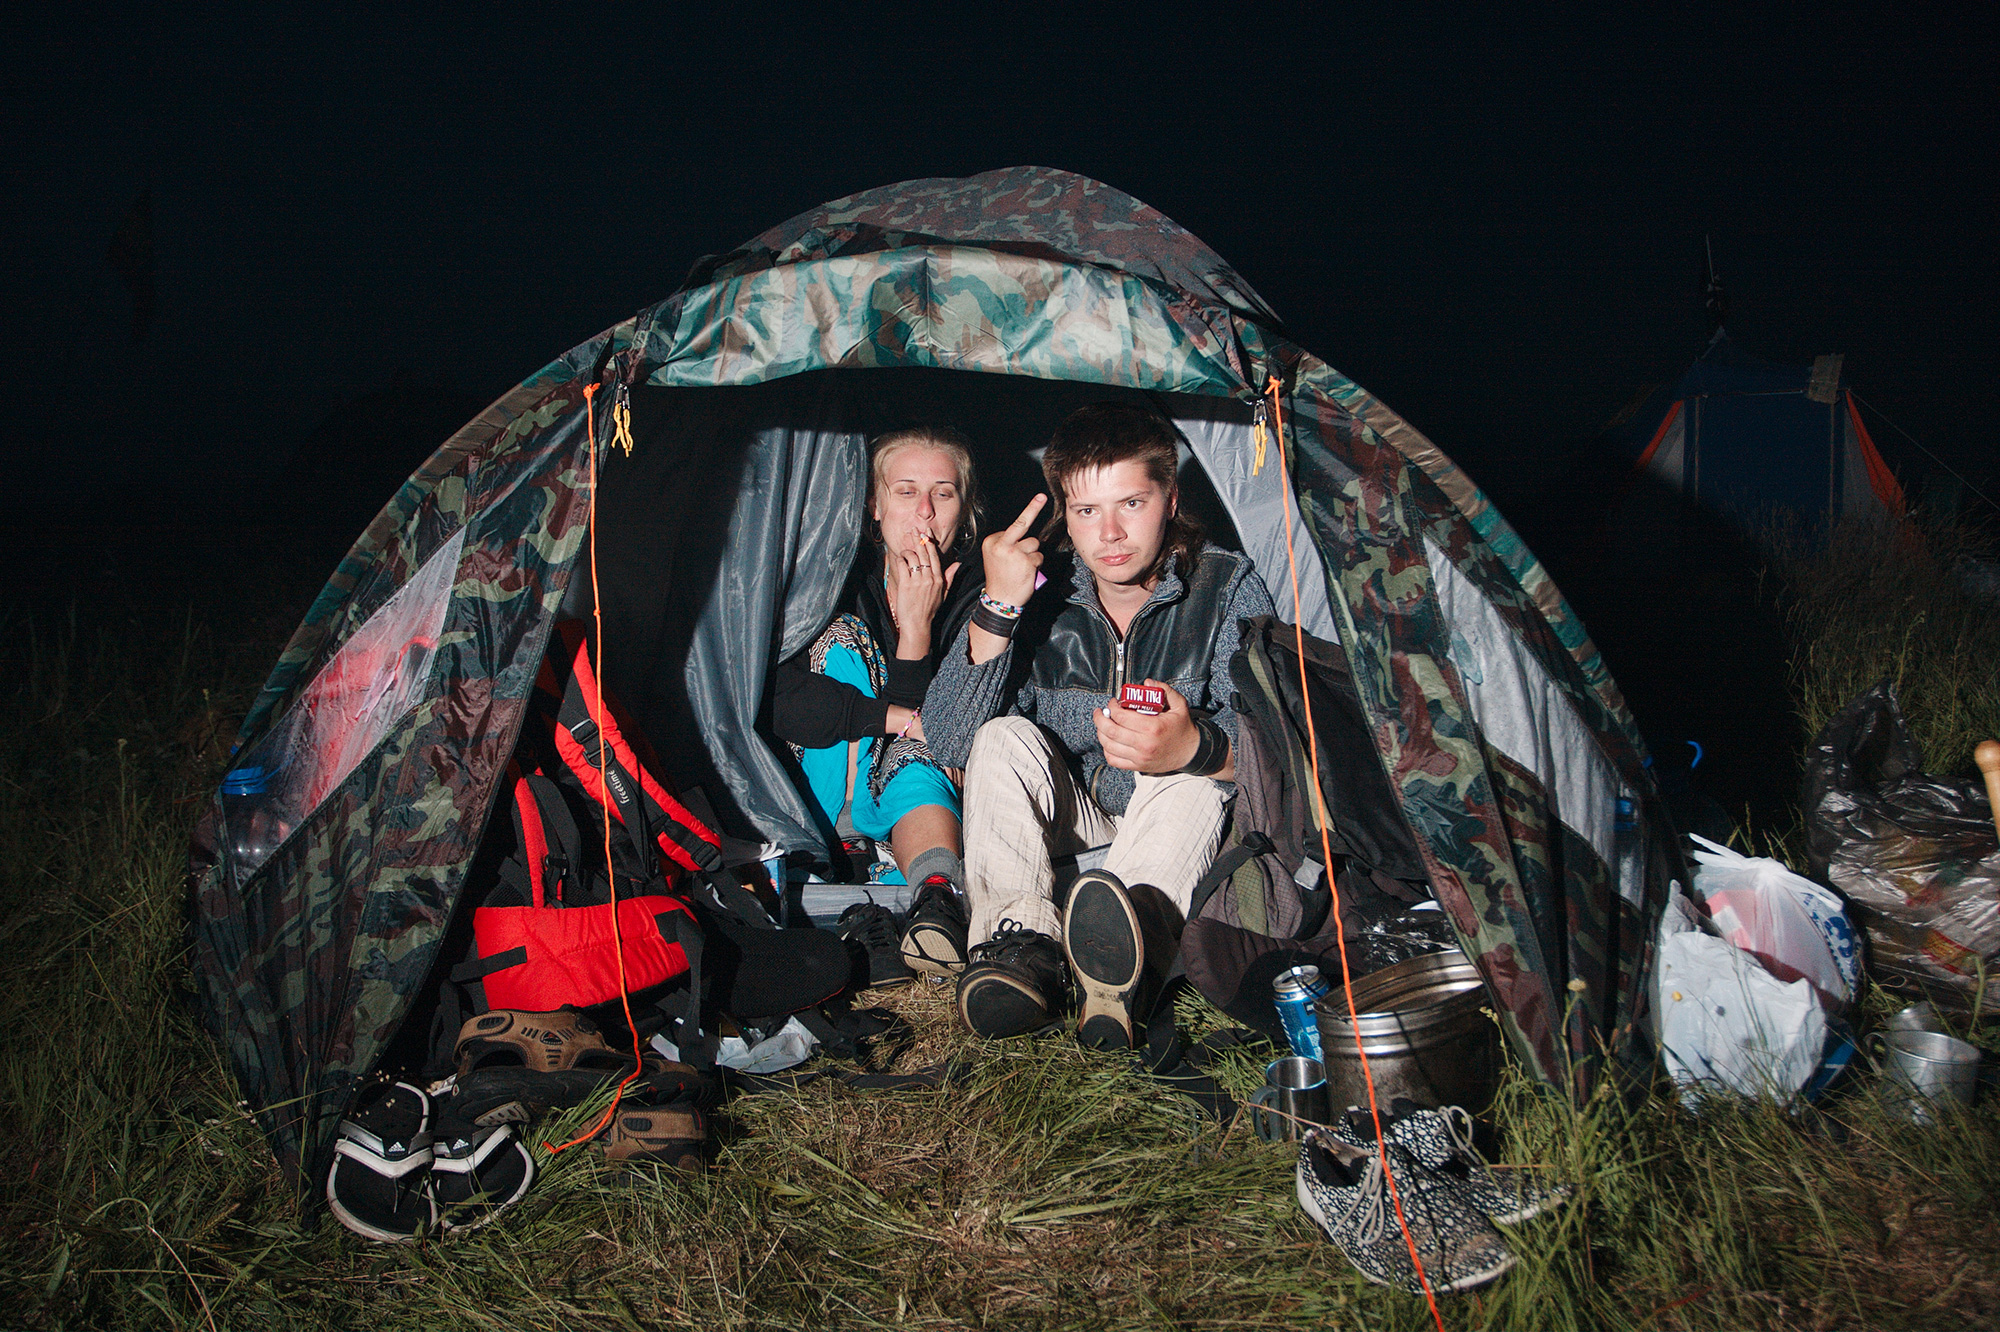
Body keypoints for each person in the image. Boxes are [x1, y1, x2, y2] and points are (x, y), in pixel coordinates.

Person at [922, 401, 1276, 1046]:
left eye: (1131, 504)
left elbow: (1282, 754)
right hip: (1081, 815)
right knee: (1000, 737)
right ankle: (1023, 951)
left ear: (1170, 500)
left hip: (1181, 824)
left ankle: (1119, 956)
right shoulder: (1041, 592)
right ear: (1065, 513)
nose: (1109, 533)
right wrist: (998, 606)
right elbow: (949, 739)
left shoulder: (1225, 588)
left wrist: (1197, 748)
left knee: (1187, 776)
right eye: (1086, 511)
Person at [770, 427, 981, 976]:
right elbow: (779, 699)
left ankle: (937, 896)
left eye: (943, 493)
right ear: (874, 506)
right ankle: (842, 847)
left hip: (918, 796)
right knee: (842, 643)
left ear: (964, 508)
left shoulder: (981, 590)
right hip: (819, 792)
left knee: (921, 750)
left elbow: (944, 730)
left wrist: (918, 632)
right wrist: (893, 715)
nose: (925, 512)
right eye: (906, 491)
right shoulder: (828, 581)